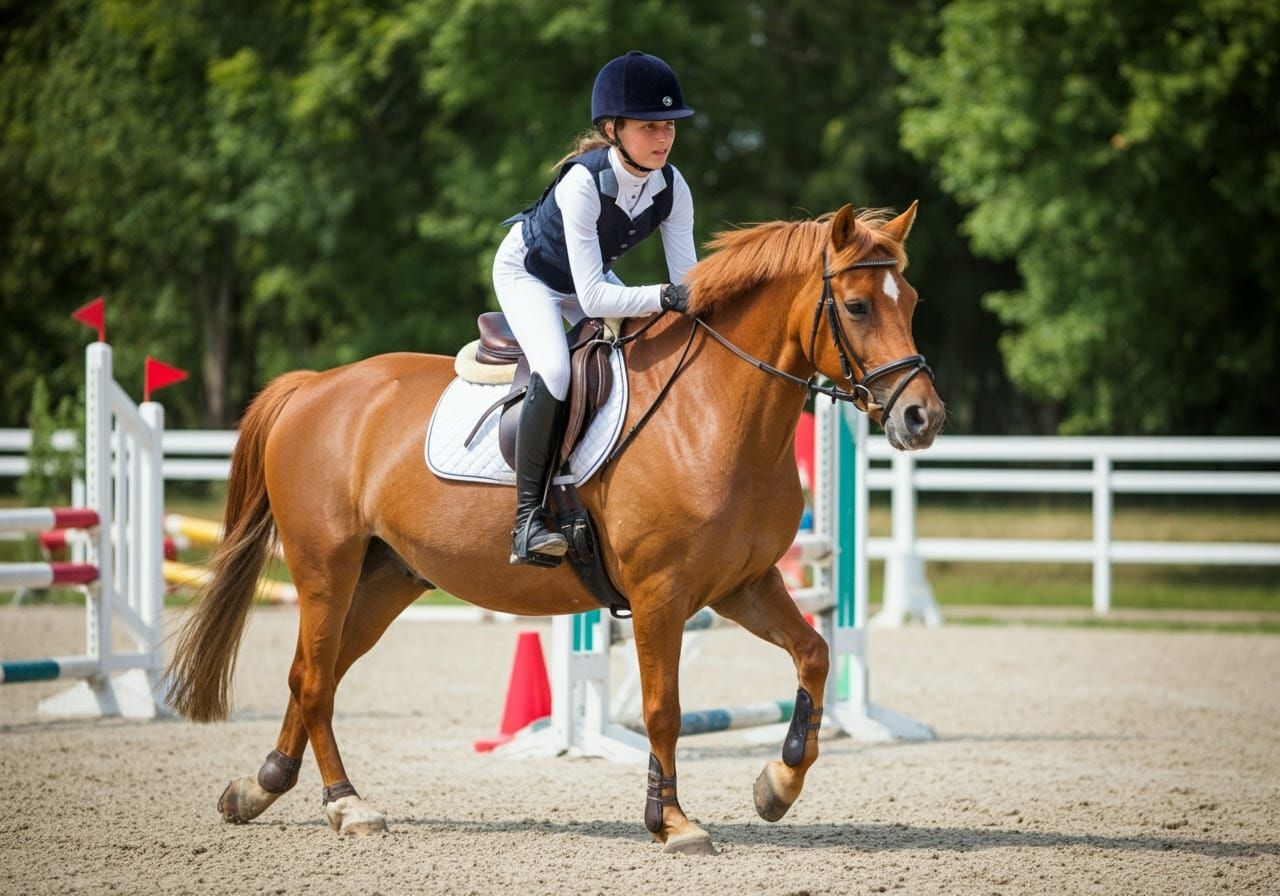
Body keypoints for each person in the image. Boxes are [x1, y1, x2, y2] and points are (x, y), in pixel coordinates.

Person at [494, 50, 698, 565]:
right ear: (613, 129)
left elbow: (687, 284)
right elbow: (594, 300)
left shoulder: (673, 188)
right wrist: (666, 298)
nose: (664, 138)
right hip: (530, 275)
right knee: (558, 369)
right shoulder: (583, 183)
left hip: (586, 277)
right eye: (649, 126)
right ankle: (526, 522)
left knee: (633, 355)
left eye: (670, 125)